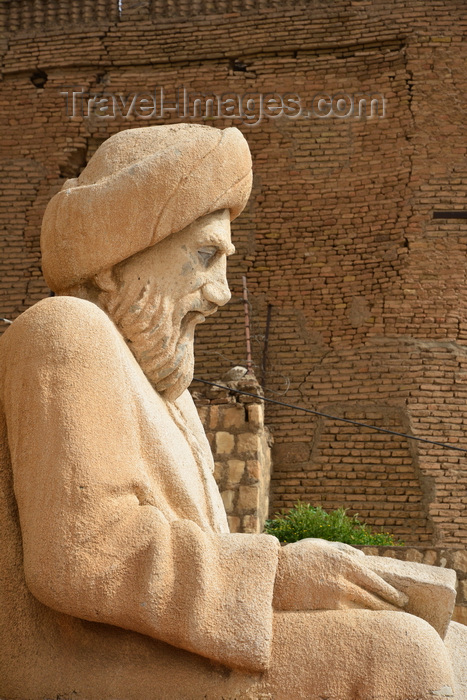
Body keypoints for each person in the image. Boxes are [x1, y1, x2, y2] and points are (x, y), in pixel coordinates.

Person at [0, 124, 462, 700]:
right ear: (114, 259)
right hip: (86, 660)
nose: (220, 291)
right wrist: (278, 577)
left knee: (455, 644)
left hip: (157, 646)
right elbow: (83, 555)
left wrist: (290, 568)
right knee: (402, 656)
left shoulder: (166, 394)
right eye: (204, 255)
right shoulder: (65, 331)